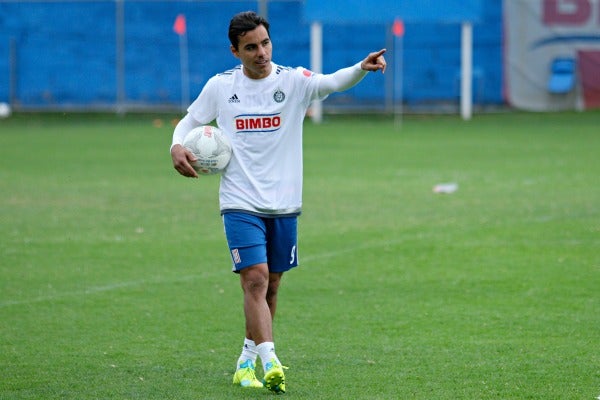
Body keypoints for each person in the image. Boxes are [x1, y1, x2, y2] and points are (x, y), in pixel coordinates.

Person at [170, 10, 386, 393]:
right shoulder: (221, 87)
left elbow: (333, 82)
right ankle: (271, 360)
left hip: (284, 203)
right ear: (235, 51)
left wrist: (362, 68)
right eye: (251, 47)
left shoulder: (293, 81)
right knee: (253, 280)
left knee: (271, 286)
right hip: (239, 200)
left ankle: (246, 361)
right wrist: (175, 145)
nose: (262, 53)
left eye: (265, 43)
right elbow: (188, 122)